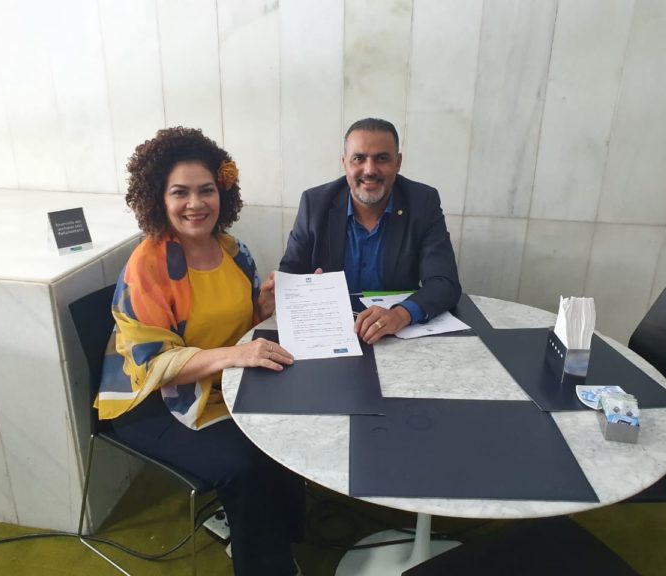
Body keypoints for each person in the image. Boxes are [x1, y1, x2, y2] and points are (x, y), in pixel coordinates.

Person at [96, 127, 304, 576]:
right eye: (180, 192)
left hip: (219, 383)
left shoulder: (233, 250)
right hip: (149, 403)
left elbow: (239, 329)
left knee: (287, 430)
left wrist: (264, 307)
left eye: (206, 190)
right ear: (158, 198)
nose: (196, 203)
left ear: (222, 193)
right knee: (246, 464)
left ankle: (274, 534)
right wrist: (235, 356)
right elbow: (155, 366)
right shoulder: (148, 265)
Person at [279, 117, 462, 344]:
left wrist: (401, 314)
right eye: (358, 158)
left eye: (382, 158)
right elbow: (289, 276)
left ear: (398, 162)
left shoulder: (422, 202)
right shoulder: (315, 203)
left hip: (397, 337)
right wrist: (295, 289)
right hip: (331, 334)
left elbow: (444, 282)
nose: (370, 170)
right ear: (345, 163)